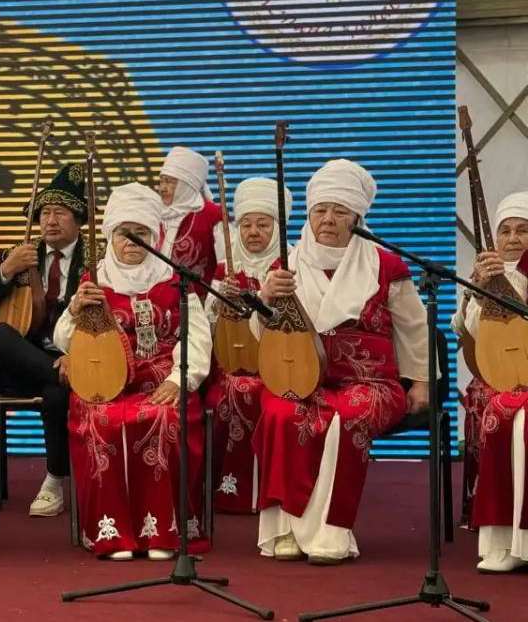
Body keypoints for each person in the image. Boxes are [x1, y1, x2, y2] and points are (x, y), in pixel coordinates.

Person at [253, 159, 428, 565]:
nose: (328, 219)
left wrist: (421, 381)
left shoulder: (386, 266)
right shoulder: (286, 266)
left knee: (342, 418)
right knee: (280, 412)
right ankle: (285, 531)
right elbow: (265, 337)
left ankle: (331, 534)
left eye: (339, 211)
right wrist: (264, 301)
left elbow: (414, 329)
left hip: (372, 384)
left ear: (358, 217)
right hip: (302, 376)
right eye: (320, 210)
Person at [54, 183, 211, 561]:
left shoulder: (176, 281)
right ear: (110, 236)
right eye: (124, 233)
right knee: (100, 420)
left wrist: (179, 379)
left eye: (141, 232)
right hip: (105, 383)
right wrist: (75, 308)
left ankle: (160, 529)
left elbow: (198, 339)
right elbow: (62, 340)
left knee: (160, 418)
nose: (132, 241)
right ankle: (110, 531)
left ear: (155, 236)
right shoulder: (95, 282)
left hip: (162, 380)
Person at [0, 163, 87, 517]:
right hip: (27, 359)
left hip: (75, 358)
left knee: (56, 393)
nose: (50, 221)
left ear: (77, 220)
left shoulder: (97, 260)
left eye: (60, 213)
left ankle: (54, 480)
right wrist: (5, 271)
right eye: (44, 213)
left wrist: (75, 357)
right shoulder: (21, 252)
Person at [205, 177, 291, 514]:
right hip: (227, 370)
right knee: (230, 390)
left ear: (277, 227)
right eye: (246, 224)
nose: (253, 232)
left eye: (263, 224)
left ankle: (271, 491)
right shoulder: (225, 269)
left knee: (252, 391)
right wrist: (217, 300)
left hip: (280, 369)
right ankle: (229, 489)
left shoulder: (287, 266)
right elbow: (208, 326)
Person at [461, 191, 528, 572]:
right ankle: (502, 541)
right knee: (499, 412)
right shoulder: (483, 275)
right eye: (506, 231)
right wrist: (479, 289)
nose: (514, 238)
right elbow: (474, 336)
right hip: (498, 379)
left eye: (523, 230)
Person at [155, 147, 223, 294]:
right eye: (161, 181)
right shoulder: (153, 211)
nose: (162, 188)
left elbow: (226, 265)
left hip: (199, 305)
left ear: (187, 185)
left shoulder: (211, 215)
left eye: (169, 182)